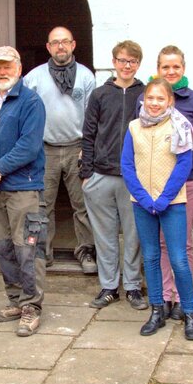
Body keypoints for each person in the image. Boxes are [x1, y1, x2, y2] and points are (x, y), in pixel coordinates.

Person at [0, 46, 47, 337]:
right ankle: (15, 300)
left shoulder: (31, 102)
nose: (2, 72)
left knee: (27, 248)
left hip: (23, 187)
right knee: (3, 248)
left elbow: (29, 146)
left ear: (19, 68)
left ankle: (31, 306)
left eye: (7, 66)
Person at [121, 78, 193, 340]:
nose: (154, 103)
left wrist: (165, 197)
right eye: (150, 98)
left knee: (178, 259)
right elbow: (127, 165)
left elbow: (184, 164)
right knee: (151, 256)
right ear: (144, 100)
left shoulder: (179, 126)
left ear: (170, 101)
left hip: (172, 203)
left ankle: (190, 312)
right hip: (142, 203)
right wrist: (143, 197)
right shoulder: (134, 128)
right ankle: (157, 310)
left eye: (160, 98)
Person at [135, 46, 193, 320]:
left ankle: (181, 298)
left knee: (182, 243)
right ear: (158, 69)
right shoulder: (146, 100)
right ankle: (165, 296)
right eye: (165, 67)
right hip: (154, 184)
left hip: (186, 181)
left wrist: (185, 169)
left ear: (183, 68)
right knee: (161, 244)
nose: (171, 71)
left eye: (176, 66)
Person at [80, 40, 147, 310]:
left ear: (138, 64)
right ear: (114, 62)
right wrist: (86, 173)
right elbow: (88, 134)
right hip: (101, 174)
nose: (126, 66)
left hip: (134, 177)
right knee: (105, 235)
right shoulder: (100, 95)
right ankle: (109, 286)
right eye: (122, 60)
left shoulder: (145, 95)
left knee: (134, 235)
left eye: (132, 61)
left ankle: (132, 286)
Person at [24, 26, 97, 273]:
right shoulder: (34, 77)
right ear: (48, 47)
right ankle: (43, 253)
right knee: (43, 205)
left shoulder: (86, 77)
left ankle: (86, 252)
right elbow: (26, 115)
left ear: (73, 45)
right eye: (55, 42)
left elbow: (92, 117)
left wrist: (87, 149)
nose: (60, 46)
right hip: (45, 150)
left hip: (77, 148)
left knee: (82, 205)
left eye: (65, 41)